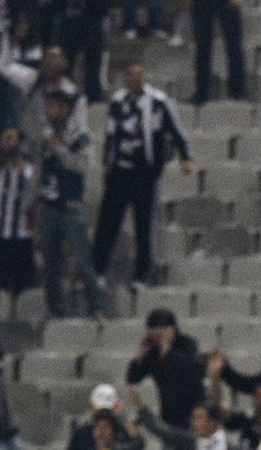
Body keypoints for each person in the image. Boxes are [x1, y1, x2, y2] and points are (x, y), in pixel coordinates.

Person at [91, 62, 192, 286]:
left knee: (144, 226)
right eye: (129, 75)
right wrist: (107, 163)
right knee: (107, 223)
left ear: (144, 77)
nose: (133, 79)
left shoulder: (158, 101)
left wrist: (186, 156)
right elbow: (110, 133)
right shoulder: (118, 100)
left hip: (144, 173)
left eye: (137, 75)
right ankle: (96, 269)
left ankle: (143, 274)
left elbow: (176, 129)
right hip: (119, 170)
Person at [35, 87, 106, 319]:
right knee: (50, 264)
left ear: (65, 109)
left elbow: (84, 166)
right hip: (48, 206)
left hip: (69, 205)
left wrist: (60, 150)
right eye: (47, 107)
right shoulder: (44, 135)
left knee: (82, 260)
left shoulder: (79, 134)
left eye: (53, 106)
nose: (48, 111)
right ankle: (57, 310)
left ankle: (96, 307)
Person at [126, 307, 204, 428]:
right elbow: (132, 379)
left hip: (193, 409)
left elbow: (196, 370)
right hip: (169, 413)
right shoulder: (152, 352)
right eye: (152, 329)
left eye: (161, 329)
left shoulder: (186, 343)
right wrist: (139, 357)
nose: (157, 334)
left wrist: (168, 351)